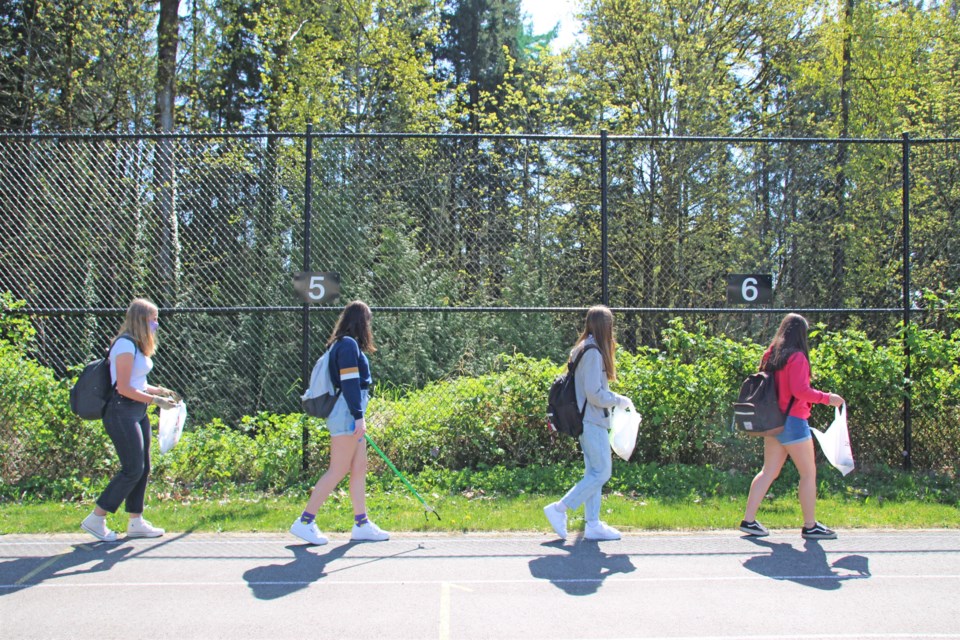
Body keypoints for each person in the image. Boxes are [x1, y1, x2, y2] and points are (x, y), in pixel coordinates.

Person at [290, 300, 389, 545]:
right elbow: (350, 383)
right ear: (361, 321)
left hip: (352, 411)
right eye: (368, 320)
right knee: (339, 468)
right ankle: (305, 521)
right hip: (347, 412)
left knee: (359, 467)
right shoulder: (346, 345)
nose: (369, 325)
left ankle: (362, 523)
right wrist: (358, 416)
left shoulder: (345, 345)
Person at [81, 298, 180, 541]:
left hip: (137, 411)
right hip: (121, 412)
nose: (156, 324)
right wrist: (155, 402)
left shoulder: (136, 346)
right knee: (132, 469)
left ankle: (136, 521)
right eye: (153, 319)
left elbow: (139, 382)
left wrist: (159, 391)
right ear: (141, 320)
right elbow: (123, 387)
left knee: (143, 468)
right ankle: (97, 517)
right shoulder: (124, 346)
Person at [740, 313, 845, 540]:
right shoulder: (797, 357)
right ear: (801, 334)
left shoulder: (771, 354)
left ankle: (748, 520)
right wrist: (829, 398)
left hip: (772, 421)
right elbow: (800, 391)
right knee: (808, 474)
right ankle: (810, 525)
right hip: (794, 421)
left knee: (768, 471)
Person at [543, 305, 632, 541]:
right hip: (592, 420)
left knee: (593, 472)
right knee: (602, 472)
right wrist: (619, 400)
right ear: (605, 327)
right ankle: (559, 508)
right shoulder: (593, 352)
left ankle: (593, 524)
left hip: (586, 420)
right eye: (611, 326)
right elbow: (594, 394)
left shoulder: (582, 348)